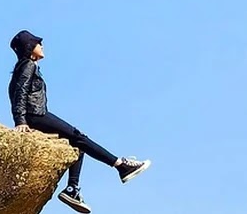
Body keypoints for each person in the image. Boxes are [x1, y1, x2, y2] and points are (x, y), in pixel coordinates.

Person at [8, 29, 151, 213]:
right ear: (29, 47)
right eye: (37, 43)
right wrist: (21, 121)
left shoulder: (25, 66)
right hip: (36, 115)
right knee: (79, 136)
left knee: (76, 145)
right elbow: (20, 92)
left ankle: (72, 189)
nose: (42, 46)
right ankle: (120, 165)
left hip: (36, 114)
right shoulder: (28, 65)